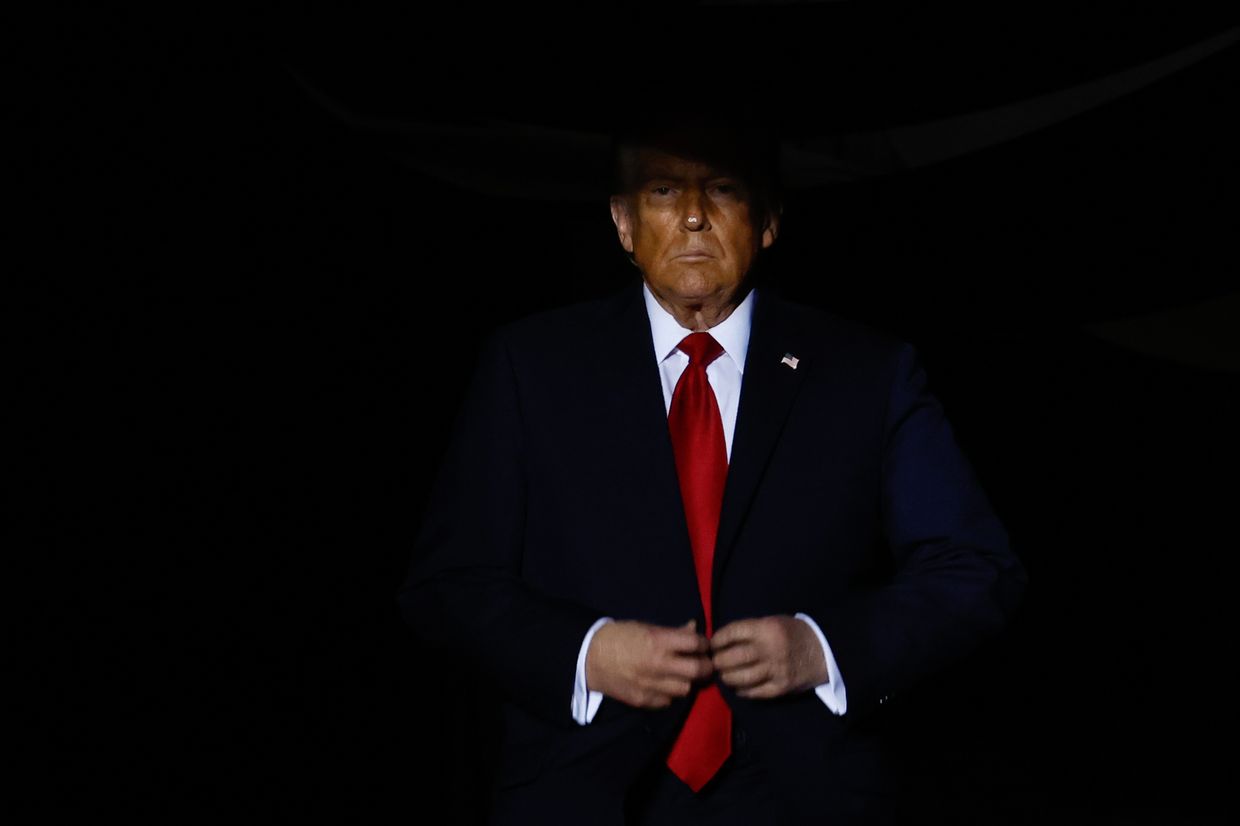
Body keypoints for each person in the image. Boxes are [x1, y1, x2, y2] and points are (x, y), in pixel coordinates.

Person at [399, 109, 1027, 825]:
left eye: (722, 190)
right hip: (584, 787)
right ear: (623, 223)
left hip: (803, 789)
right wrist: (586, 653)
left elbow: (977, 567)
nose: (693, 217)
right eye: (663, 192)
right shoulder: (528, 366)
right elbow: (447, 584)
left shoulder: (868, 372)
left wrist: (823, 650)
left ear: (767, 221)